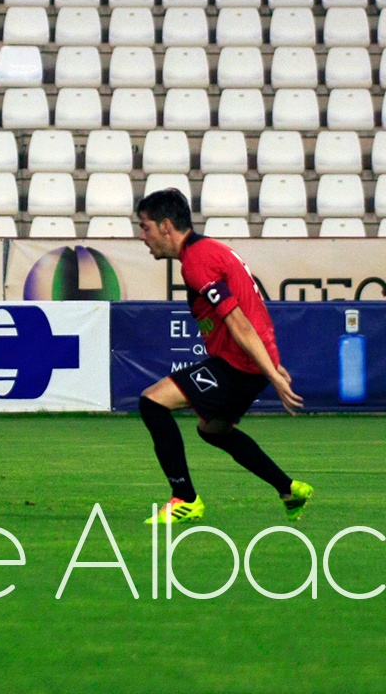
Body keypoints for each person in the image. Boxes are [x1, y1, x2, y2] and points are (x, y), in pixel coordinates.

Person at [134, 188, 312, 523]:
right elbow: (252, 308)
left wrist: (272, 373)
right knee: (212, 430)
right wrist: (271, 361)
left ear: (166, 226)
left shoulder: (198, 261)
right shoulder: (211, 251)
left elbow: (239, 321)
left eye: (145, 227)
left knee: (152, 403)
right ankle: (289, 489)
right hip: (250, 363)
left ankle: (185, 499)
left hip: (238, 365)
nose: (142, 236)